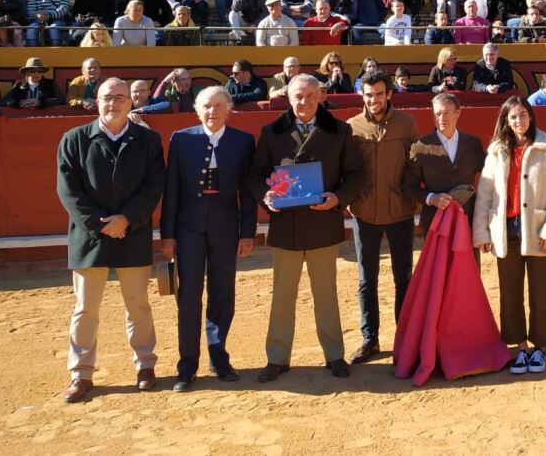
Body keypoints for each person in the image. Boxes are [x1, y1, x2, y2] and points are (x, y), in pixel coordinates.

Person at [245, 74, 362, 383]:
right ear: (288, 97)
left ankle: (334, 354)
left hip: (323, 222)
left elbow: (355, 175)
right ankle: (277, 357)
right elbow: (256, 176)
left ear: (321, 96)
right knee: (282, 295)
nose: (305, 101)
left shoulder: (340, 130)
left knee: (326, 294)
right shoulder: (271, 132)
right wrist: (266, 196)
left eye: (311, 95)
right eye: (299, 96)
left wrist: (338, 198)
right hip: (287, 226)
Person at [56, 78, 166, 403]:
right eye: (107, 97)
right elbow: (68, 190)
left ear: (131, 103)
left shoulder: (147, 139)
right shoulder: (74, 139)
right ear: (96, 101)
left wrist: (126, 219)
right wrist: (101, 225)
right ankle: (80, 373)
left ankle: (145, 366)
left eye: (120, 97)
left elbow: (153, 185)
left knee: (138, 306)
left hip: (132, 233)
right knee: (85, 309)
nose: (113, 103)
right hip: (90, 238)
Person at [161, 88, 257, 392]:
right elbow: (171, 189)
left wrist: (247, 232)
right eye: (206, 106)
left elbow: (248, 191)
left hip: (226, 225)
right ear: (197, 110)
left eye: (218, 106)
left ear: (229, 109)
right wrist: (168, 235)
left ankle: (219, 356)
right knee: (188, 294)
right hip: (188, 226)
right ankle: (187, 365)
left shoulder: (243, 141)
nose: (212, 111)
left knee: (222, 291)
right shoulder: (181, 139)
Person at [473, 96, 546, 375]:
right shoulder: (497, 150)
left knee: (541, 292)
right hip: (505, 230)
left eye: (522, 115)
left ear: (531, 116)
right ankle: (520, 348)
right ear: (506, 120)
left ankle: (539, 348)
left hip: (537, 231)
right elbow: (486, 193)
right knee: (510, 293)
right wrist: (481, 232)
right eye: (513, 117)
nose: (518, 121)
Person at [347, 71, 420, 364]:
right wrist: (353, 199)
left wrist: (410, 195)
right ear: (361, 95)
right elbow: (348, 168)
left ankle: (403, 338)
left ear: (389, 93)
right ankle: (370, 339)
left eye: (378, 93)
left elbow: (414, 163)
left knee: (403, 277)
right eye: (368, 95)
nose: (373, 99)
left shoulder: (407, 123)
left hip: (400, 210)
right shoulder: (352, 126)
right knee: (367, 279)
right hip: (364, 213)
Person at [402, 92, 487, 237]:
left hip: (467, 219)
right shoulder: (420, 147)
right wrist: (431, 198)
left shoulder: (473, 143)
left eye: (446, 113)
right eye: (437, 113)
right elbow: (409, 187)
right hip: (435, 221)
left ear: (458, 112)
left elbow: (489, 173)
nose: (441, 118)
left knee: (467, 260)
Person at [0, 56, 65, 109]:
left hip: (45, 118)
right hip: (23, 120)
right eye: (33, 71)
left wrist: (41, 102)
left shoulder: (51, 84)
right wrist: (19, 103)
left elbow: (61, 100)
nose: (36, 73)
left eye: (39, 71)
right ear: (27, 73)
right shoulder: (19, 85)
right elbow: (4, 101)